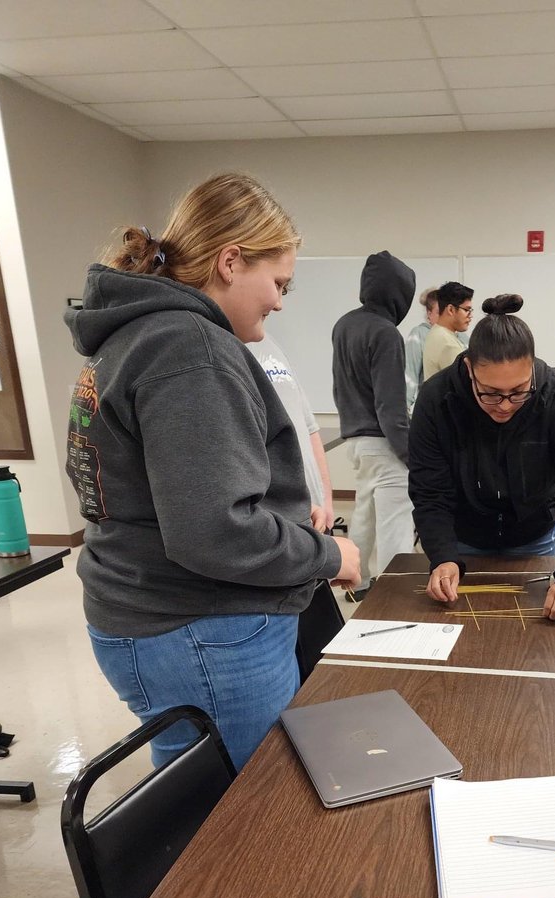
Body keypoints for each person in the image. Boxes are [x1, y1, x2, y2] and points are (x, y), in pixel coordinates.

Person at [65, 173, 361, 770]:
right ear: (230, 261)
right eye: (278, 282)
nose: (279, 301)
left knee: (198, 790)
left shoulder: (134, 335)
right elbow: (214, 530)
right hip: (201, 626)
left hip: (149, 610)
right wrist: (329, 557)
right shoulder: (190, 348)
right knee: (243, 814)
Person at [409, 294, 555, 622]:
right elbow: (430, 490)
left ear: (532, 366)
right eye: (490, 393)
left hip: (534, 534)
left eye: (518, 391)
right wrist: (443, 556)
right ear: (469, 367)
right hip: (464, 539)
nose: (504, 405)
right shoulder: (436, 400)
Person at [332, 251, 416, 600]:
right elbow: (390, 406)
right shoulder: (386, 334)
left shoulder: (344, 325)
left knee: (364, 512)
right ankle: (396, 595)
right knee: (396, 518)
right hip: (385, 441)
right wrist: (413, 455)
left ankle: (357, 581)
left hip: (355, 439)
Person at [249, 332, 335, 532]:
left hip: (312, 511)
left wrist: (326, 499)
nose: (278, 304)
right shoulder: (223, 351)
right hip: (280, 522)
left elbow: (309, 427)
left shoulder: (270, 343)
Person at [422, 281, 474, 381]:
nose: (470, 316)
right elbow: (465, 383)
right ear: (450, 310)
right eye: (467, 310)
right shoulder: (447, 343)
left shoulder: (436, 332)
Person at [404, 287, 438, 415]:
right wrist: (404, 409)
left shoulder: (461, 337)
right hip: (432, 410)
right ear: (429, 314)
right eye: (439, 312)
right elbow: (410, 373)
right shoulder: (419, 334)